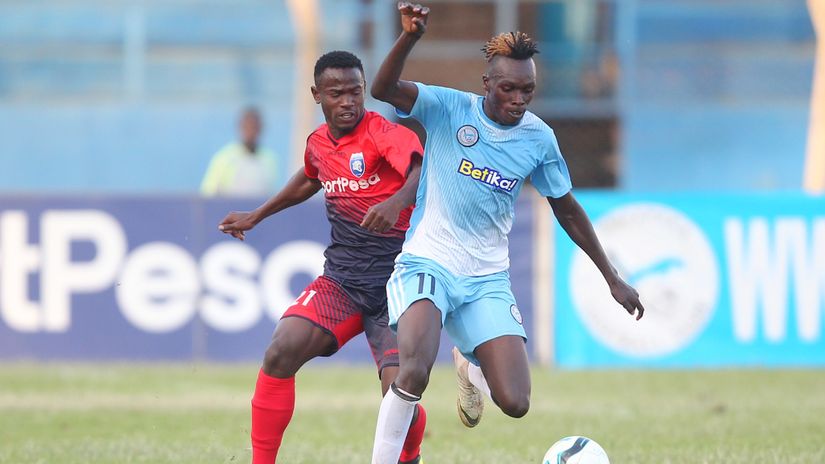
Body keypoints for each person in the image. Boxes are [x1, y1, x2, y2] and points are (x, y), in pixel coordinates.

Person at [368, 3, 645, 463]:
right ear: (487, 85)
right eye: (509, 89)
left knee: (516, 402)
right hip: (427, 263)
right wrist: (410, 37)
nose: (519, 99)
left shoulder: (539, 138)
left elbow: (568, 210)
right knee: (414, 370)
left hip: (485, 279)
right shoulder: (448, 108)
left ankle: (470, 363)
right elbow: (382, 89)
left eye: (528, 91)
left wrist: (611, 276)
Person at [218, 51, 427, 464]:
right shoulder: (318, 143)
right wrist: (257, 215)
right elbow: (310, 177)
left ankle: (411, 452)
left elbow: (421, 168)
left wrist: (397, 201)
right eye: (337, 93)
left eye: (355, 91)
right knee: (281, 351)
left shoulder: (383, 133)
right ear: (318, 95)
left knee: (398, 396)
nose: (348, 101)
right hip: (343, 283)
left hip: (397, 286)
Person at [201, 106, 279, 197]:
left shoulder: (269, 159)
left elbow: (271, 193)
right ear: (240, 127)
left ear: (260, 129)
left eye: (254, 127)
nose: (251, 131)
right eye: (247, 127)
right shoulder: (224, 157)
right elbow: (208, 193)